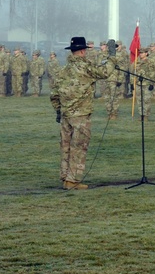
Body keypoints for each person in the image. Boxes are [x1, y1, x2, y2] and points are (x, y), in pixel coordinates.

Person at [50, 36, 119, 190]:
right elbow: (105, 71)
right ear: (82, 51)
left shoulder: (63, 70)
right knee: (79, 147)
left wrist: (58, 111)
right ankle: (73, 180)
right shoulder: (85, 67)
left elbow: (54, 94)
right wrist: (112, 56)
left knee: (66, 147)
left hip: (65, 115)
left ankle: (65, 177)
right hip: (80, 115)